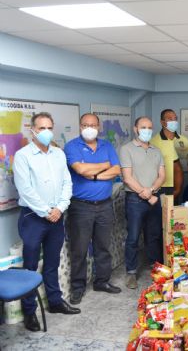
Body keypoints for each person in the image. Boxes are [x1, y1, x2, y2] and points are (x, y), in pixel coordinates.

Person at [13, 112, 80, 332]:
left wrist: (59, 208)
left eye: (49, 127)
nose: (46, 132)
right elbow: (26, 190)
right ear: (32, 130)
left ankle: (55, 302)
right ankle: (30, 312)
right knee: (30, 267)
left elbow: (67, 184)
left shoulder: (59, 154)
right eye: (41, 128)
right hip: (33, 218)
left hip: (57, 216)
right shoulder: (23, 156)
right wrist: (46, 211)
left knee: (52, 263)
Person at [64, 113, 122, 305]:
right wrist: (104, 166)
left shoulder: (106, 145)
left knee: (103, 246)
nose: (89, 128)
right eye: (85, 124)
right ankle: (78, 288)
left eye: (93, 125)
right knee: (79, 249)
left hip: (105, 204)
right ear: (80, 126)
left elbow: (116, 170)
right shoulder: (72, 146)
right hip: (81, 207)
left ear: (99, 127)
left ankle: (102, 281)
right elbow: (80, 171)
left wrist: (95, 174)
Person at [120, 116, 165, 289]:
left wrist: (151, 190)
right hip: (135, 200)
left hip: (153, 197)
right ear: (135, 129)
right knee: (133, 237)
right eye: (143, 127)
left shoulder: (156, 150)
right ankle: (131, 272)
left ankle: (155, 267)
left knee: (153, 235)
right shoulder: (127, 149)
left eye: (149, 127)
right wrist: (144, 192)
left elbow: (162, 175)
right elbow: (127, 178)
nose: (147, 130)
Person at [150, 109, 188, 203]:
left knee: (175, 215)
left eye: (175, 119)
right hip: (161, 186)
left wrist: (178, 189)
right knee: (161, 215)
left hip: (181, 184)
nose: (174, 121)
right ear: (162, 122)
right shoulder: (153, 142)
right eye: (170, 119)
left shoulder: (184, 140)